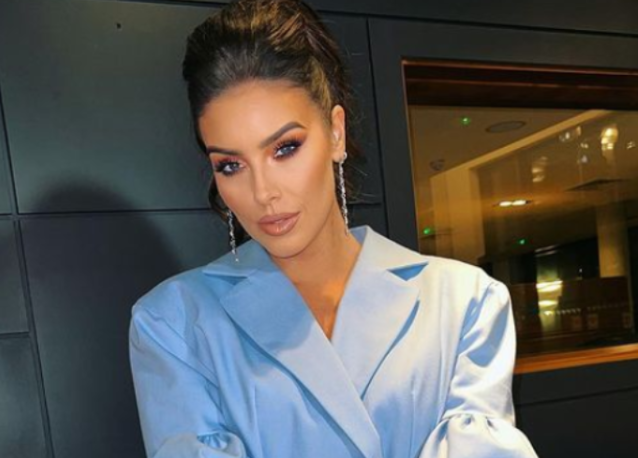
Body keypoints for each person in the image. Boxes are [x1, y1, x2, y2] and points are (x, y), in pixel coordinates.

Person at [128, 1, 540, 457]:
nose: (263, 192)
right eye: (231, 165)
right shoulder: (173, 323)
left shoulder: (464, 303)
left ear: (336, 132)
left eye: (285, 148)